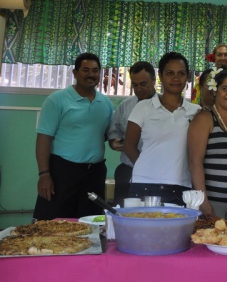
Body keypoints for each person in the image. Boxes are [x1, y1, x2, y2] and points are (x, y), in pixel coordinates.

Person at [33, 52, 113, 220]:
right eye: (85, 70)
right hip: (63, 172)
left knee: (91, 223)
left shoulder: (105, 103)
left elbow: (105, 135)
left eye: (95, 70)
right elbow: (43, 139)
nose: (91, 74)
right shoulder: (57, 100)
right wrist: (44, 174)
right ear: (75, 73)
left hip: (94, 173)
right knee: (54, 223)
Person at [124, 52, 200, 206]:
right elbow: (128, 146)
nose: (176, 78)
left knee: (176, 230)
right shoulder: (143, 107)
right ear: (160, 75)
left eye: (181, 73)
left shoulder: (196, 111)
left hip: (180, 185)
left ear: (188, 77)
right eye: (170, 73)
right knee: (142, 229)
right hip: (143, 184)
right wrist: (148, 169)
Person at [188, 69, 227, 219]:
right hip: (213, 201)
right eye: (225, 88)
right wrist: (203, 200)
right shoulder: (204, 118)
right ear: (215, 91)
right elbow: (194, 161)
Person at [107, 61, 157, 207]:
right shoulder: (125, 106)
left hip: (156, 171)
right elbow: (113, 132)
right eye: (135, 85)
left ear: (154, 81)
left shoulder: (165, 106)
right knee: (121, 213)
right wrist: (113, 142)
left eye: (143, 84)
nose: (139, 89)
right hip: (128, 169)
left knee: (152, 214)